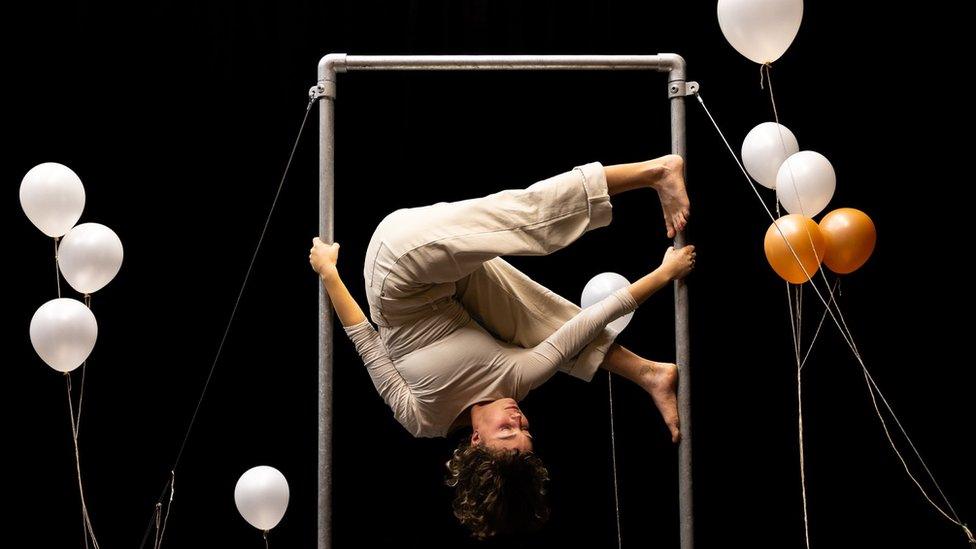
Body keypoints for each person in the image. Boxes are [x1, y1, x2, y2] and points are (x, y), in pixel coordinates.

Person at [308, 155, 694, 539]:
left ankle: (655, 171)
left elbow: (367, 342)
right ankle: (649, 372)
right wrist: (662, 275)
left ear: (476, 441)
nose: (518, 419)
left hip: (398, 265)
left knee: (525, 223)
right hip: (453, 287)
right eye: (526, 430)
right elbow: (587, 322)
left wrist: (329, 272)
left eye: (507, 433)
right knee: (538, 323)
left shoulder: (423, 418)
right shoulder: (518, 379)